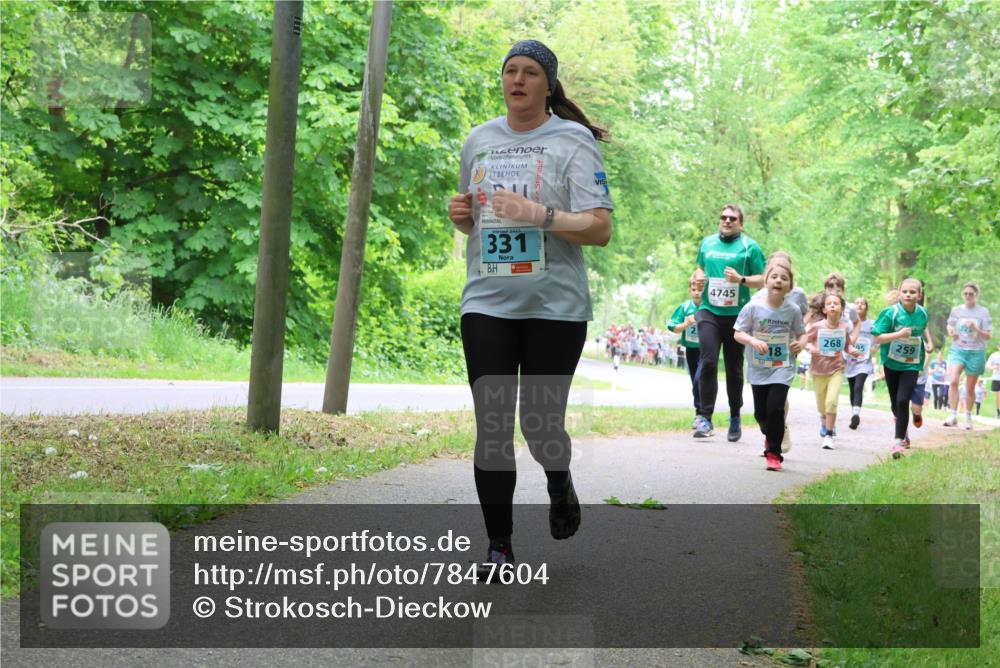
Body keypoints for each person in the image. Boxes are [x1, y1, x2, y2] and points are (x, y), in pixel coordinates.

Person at [447, 39, 613, 572]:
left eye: (530, 73)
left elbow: (600, 228)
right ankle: (499, 546)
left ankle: (559, 480)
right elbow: (478, 220)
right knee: (493, 424)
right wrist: (464, 217)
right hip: (487, 301)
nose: (517, 80)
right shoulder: (479, 140)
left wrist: (538, 215)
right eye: (510, 71)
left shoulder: (573, 139)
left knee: (540, 426)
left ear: (548, 85)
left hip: (555, 306)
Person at [691, 204, 767, 440]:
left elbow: (763, 279)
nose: (726, 221)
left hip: (737, 316)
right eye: (723, 217)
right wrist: (698, 276)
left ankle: (735, 414)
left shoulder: (749, 247)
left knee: (734, 368)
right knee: (709, 360)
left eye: (732, 218)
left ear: (740, 223)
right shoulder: (707, 243)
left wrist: (741, 279)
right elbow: (698, 269)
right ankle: (705, 417)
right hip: (708, 311)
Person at [734, 261, 806, 471]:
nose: (778, 280)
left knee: (776, 408)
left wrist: (800, 343)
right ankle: (772, 433)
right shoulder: (753, 307)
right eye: (774, 276)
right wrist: (753, 341)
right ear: (765, 281)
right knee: (761, 413)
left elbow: (802, 334)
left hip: (782, 366)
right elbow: (738, 333)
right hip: (758, 367)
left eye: (784, 278)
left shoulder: (792, 310)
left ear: (789, 286)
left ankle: (774, 453)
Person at [871, 278, 934, 459]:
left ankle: (898, 443)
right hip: (891, 363)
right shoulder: (891, 313)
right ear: (899, 293)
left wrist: (928, 343)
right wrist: (898, 334)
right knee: (894, 404)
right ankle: (903, 431)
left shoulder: (923, 313)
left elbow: (922, 329)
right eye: (905, 291)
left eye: (912, 292)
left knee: (902, 400)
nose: (908, 294)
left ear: (919, 295)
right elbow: (878, 338)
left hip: (912, 364)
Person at [805, 292, 862, 449]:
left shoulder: (844, 327)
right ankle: (824, 420)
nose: (832, 305)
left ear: (841, 309)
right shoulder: (817, 327)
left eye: (836, 303)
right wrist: (810, 348)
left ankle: (829, 435)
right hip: (818, 370)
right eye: (829, 303)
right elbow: (805, 341)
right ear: (824, 309)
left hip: (836, 369)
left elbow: (847, 345)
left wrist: (852, 350)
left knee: (831, 402)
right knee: (821, 405)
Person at [943, 283, 993, 429]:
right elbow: (949, 325)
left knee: (969, 387)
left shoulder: (983, 312)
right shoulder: (956, 310)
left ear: (976, 295)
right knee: (953, 381)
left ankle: (968, 417)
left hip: (976, 352)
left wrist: (976, 328)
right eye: (965, 293)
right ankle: (952, 415)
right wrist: (951, 331)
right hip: (958, 349)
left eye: (971, 293)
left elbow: (988, 335)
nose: (968, 296)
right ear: (962, 294)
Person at [668, 273, 705, 428]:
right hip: (691, 349)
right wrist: (685, 324)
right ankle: (699, 413)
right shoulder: (685, 307)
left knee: (700, 379)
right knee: (695, 382)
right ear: (690, 290)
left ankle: (704, 412)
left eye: (700, 289)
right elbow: (672, 326)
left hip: (706, 350)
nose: (697, 292)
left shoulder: (708, 307)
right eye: (693, 289)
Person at [846, 297, 875, 430]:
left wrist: (875, 348)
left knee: (858, 386)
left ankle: (856, 413)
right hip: (850, 360)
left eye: (862, 303)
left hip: (864, 361)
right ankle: (854, 414)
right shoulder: (849, 324)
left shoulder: (872, 324)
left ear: (866, 308)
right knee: (852, 388)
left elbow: (878, 339)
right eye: (856, 303)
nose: (859, 305)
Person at [988, 342, 1000, 419]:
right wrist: (994, 367)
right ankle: (998, 412)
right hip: (996, 378)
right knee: (998, 395)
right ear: (998, 347)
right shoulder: (994, 355)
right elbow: (987, 366)